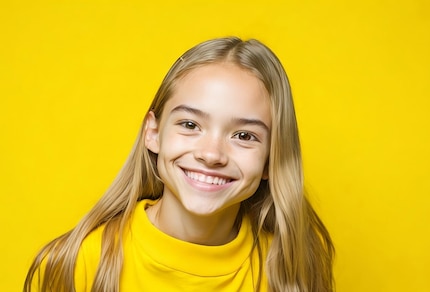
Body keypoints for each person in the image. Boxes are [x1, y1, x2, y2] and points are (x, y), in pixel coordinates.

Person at [24, 37, 334, 292]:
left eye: (244, 135)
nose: (211, 154)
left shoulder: (289, 270)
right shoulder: (80, 262)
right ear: (154, 133)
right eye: (189, 125)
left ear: (272, 158)